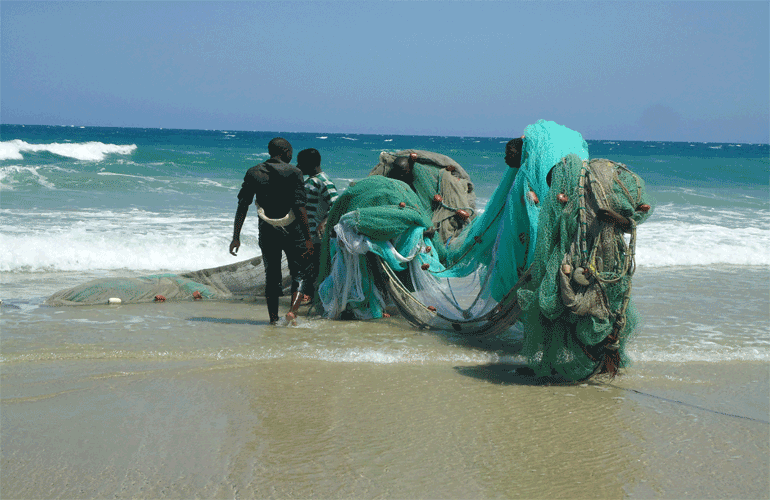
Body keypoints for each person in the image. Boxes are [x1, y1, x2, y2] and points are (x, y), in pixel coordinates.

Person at [229, 137, 313, 324]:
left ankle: (273, 320)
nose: (292, 155)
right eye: (290, 152)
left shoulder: (254, 172)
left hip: (267, 231)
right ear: (285, 152)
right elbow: (300, 207)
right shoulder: (295, 172)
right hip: (294, 231)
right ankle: (292, 311)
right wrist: (308, 238)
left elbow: (243, 205)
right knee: (299, 273)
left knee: (272, 274)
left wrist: (236, 237)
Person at [296, 148, 339, 299]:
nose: (298, 166)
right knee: (308, 268)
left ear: (310, 163)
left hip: (316, 236)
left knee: (314, 268)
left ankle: (313, 298)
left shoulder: (323, 181)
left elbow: (335, 204)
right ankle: (309, 297)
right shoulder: (310, 180)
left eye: (301, 163)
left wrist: (324, 221)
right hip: (307, 234)